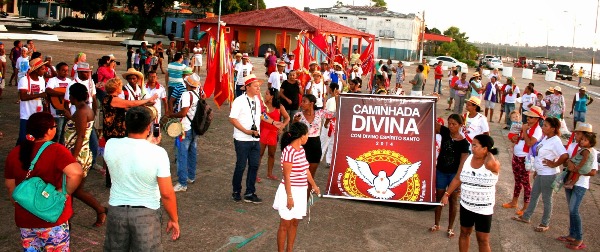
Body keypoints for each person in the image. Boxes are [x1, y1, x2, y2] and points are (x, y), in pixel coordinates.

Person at [103, 106, 180, 250]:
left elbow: (130, 155)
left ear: (125, 124)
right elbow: (167, 193)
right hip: (146, 213)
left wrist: (147, 143)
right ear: (149, 126)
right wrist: (174, 219)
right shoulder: (158, 153)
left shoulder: (110, 145)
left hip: (116, 210)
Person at [4, 112, 83, 251]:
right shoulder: (56, 150)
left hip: (25, 219)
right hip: (52, 218)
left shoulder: (15, 152)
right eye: (54, 126)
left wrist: (24, 202)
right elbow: (76, 173)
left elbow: (10, 187)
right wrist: (64, 193)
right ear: (48, 131)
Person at [441, 134, 500, 252]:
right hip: (466, 205)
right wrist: (447, 194)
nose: (472, 148)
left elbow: (489, 164)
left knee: (482, 239)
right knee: (464, 233)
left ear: (485, 149)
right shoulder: (467, 159)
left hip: (484, 208)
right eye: (472, 145)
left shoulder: (493, 164)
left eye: (475, 145)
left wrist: (489, 152)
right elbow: (458, 178)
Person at [229, 74, 282, 203]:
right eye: (256, 86)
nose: (259, 88)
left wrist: (273, 122)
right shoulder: (239, 101)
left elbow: (261, 115)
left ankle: (250, 192)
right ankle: (236, 190)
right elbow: (232, 118)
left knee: (254, 165)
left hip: (255, 139)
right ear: (247, 87)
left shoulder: (257, 101)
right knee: (241, 166)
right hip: (242, 139)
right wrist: (246, 131)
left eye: (259, 86)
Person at [513, 117, 568, 232]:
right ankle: (526, 216)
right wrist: (537, 170)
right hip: (541, 172)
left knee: (547, 199)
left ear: (553, 129)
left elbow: (564, 155)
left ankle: (545, 223)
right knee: (534, 195)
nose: (543, 127)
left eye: (546, 126)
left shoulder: (556, 141)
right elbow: (539, 154)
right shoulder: (546, 139)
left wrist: (554, 163)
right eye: (543, 125)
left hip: (549, 174)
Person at [274, 122, 321, 252]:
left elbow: (306, 170)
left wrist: (314, 186)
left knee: (295, 223)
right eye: (307, 134)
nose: (308, 137)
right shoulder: (289, 151)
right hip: (290, 191)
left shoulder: (301, 150)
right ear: (301, 136)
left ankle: (290, 249)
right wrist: (289, 197)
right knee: (285, 224)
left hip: (300, 191)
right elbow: (287, 176)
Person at [64, 83, 107, 227]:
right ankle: (99, 211)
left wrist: (72, 158)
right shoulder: (83, 110)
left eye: (70, 94)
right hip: (79, 154)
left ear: (73, 96)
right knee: (73, 190)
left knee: (71, 190)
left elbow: (81, 136)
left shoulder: (82, 111)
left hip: (78, 155)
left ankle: (99, 210)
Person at [102, 78, 157, 188]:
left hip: (110, 131)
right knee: (118, 157)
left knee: (114, 156)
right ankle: (114, 181)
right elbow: (132, 103)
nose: (121, 88)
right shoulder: (114, 99)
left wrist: (143, 105)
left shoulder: (107, 98)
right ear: (115, 88)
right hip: (115, 131)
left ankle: (111, 180)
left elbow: (128, 107)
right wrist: (148, 100)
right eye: (119, 86)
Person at [558, 122, 598, 250]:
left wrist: (576, 170)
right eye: (576, 133)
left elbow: (592, 171)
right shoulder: (573, 147)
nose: (576, 136)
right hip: (569, 181)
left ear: (586, 136)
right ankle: (572, 234)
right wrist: (568, 164)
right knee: (571, 210)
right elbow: (565, 163)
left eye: (579, 134)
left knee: (574, 210)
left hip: (580, 184)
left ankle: (579, 238)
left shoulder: (590, 151)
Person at [430, 114, 470, 238]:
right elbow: (432, 122)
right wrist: (433, 103)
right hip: (441, 171)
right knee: (439, 198)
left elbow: (462, 163)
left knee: (453, 200)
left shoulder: (464, 143)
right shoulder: (445, 132)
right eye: (449, 123)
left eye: (454, 124)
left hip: (454, 174)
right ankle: (436, 224)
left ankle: (450, 228)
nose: (451, 126)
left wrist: (458, 179)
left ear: (460, 125)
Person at [503, 106, 543, 216]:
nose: (528, 119)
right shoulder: (525, 126)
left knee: (525, 183)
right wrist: (513, 138)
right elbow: (513, 135)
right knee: (517, 180)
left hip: (526, 158)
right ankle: (514, 202)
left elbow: (530, 143)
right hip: (516, 155)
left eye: (531, 117)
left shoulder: (537, 130)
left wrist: (524, 131)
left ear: (537, 119)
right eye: (528, 116)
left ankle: (526, 207)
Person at [167, 74, 202, 192]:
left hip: (185, 127)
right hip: (194, 127)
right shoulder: (198, 93)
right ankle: (191, 176)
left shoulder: (186, 95)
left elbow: (183, 113)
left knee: (182, 154)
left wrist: (171, 114)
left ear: (187, 83)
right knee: (192, 151)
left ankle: (182, 183)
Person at [293, 94, 333, 195]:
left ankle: (305, 203)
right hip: (302, 146)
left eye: (304, 101)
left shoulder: (320, 113)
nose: (301, 104)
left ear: (311, 103)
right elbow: (293, 132)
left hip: (315, 146)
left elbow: (335, 113)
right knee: (299, 175)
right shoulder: (298, 115)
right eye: (301, 101)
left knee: (310, 176)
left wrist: (336, 98)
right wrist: (295, 122)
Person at [260, 87, 290, 180]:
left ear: (272, 96)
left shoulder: (279, 107)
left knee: (271, 154)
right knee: (259, 154)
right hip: (263, 131)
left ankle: (269, 173)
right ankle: (255, 174)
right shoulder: (262, 106)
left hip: (273, 133)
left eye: (267, 94)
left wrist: (282, 126)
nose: (265, 95)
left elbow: (287, 118)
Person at [17, 58, 47, 145]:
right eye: (42, 69)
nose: (44, 71)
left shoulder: (41, 80)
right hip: (26, 115)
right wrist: (39, 95)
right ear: (36, 70)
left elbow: (43, 96)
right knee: (24, 138)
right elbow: (23, 97)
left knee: (35, 139)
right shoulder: (24, 80)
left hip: (38, 114)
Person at [45, 62, 71, 143]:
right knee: (57, 132)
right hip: (56, 110)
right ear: (58, 71)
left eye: (67, 70)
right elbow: (48, 90)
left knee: (65, 133)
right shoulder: (53, 80)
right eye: (63, 70)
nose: (66, 72)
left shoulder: (69, 81)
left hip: (67, 110)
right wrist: (63, 94)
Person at [320, 83, 339, 167]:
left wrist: (326, 123)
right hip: (335, 124)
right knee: (331, 143)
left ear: (331, 89)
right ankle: (329, 160)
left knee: (324, 141)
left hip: (330, 124)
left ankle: (319, 158)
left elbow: (330, 114)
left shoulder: (331, 100)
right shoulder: (337, 99)